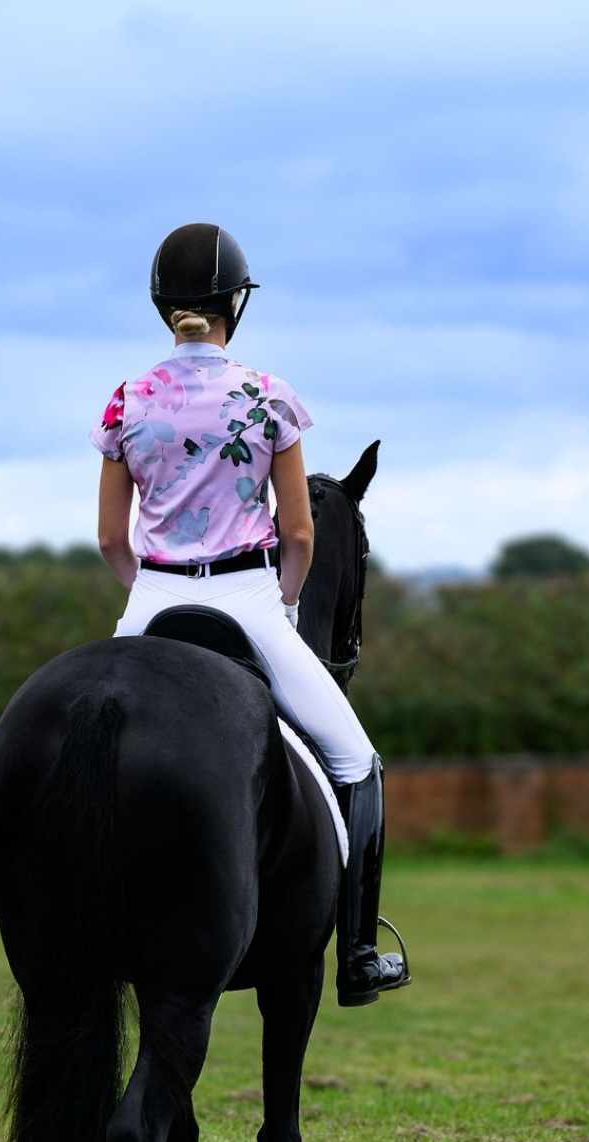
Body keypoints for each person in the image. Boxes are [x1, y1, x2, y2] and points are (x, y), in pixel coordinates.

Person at [89, 222, 408, 1006]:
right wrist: (284, 598)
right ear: (236, 303)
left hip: (153, 600)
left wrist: (150, 585)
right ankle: (360, 955)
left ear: (164, 305)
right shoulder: (269, 397)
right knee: (356, 762)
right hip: (249, 599)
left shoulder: (127, 400)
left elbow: (108, 538)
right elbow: (299, 532)